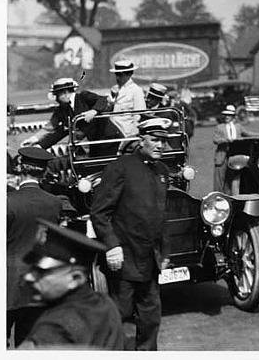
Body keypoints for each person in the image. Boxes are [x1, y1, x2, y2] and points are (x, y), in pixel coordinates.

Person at [90, 118, 172, 351]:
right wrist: (111, 245)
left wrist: (165, 252)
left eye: (164, 141)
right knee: (118, 315)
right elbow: (99, 212)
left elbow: (161, 216)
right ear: (140, 140)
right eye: (155, 140)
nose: (160, 145)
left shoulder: (162, 171)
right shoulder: (121, 167)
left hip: (149, 260)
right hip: (124, 258)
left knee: (151, 317)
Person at [17, 219, 126, 350]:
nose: (29, 277)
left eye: (41, 271)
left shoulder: (53, 329)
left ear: (75, 278)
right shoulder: (105, 304)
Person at [7, 147, 64, 348]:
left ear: (20, 169)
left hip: (7, 283)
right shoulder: (54, 203)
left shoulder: (8, 202)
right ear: (44, 171)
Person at [21, 78, 123, 158]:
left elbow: (102, 100)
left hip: (108, 138)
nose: (56, 99)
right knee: (93, 168)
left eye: (57, 95)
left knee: (103, 168)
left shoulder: (84, 96)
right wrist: (37, 144)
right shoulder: (62, 110)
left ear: (65, 93)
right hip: (94, 142)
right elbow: (58, 132)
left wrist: (93, 111)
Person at [212, 104, 259, 194]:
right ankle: (217, 197)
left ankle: (229, 197)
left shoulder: (238, 126)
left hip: (234, 156)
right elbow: (215, 140)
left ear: (233, 117)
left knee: (231, 178)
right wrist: (226, 140)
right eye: (226, 115)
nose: (227, 117)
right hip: (222, 156)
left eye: (229, 115)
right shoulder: (220, 127)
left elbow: (248, 133)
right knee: (219, 180)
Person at [108, 60, 146, 137]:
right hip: (112, 132)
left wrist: (133, 137)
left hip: (126, 134)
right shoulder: (115, 89)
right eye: (116, 74)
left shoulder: (136, 90)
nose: (117, 77)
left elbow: (139, 116)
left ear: (129, 74)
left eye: (120, 75)